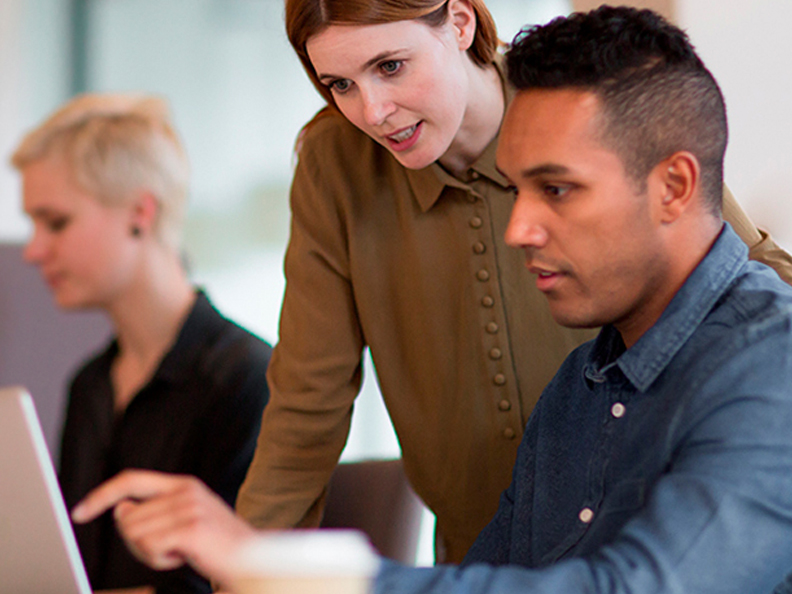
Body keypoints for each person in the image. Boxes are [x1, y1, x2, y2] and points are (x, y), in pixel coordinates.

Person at [69, 6, 792, 594]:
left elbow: (734, 262)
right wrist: (251, 569)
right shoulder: (576, 390)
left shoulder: (584, 114)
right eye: (338, 85)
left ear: (460, 23)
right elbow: (305, 407)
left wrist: (333, 579)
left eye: (390, 66)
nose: (372, 110)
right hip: (488, 555)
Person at [10, 93, 273, 594]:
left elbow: (243, 582)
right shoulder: (91, 384)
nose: (35, 251)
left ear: (139, 212)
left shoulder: (248, 379)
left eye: (56, 222)